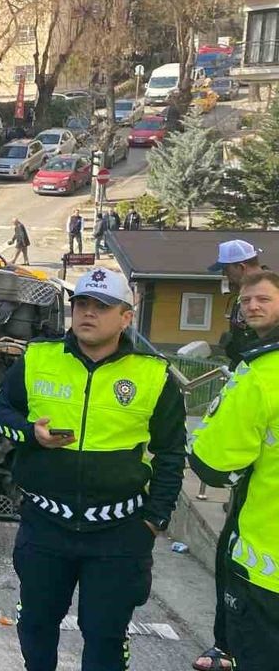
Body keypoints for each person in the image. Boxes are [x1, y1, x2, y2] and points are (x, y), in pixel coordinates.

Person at [0, 267, 186, 671]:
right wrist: (30, 433)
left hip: (119, 532)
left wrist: (155, 519)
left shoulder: (153, 374)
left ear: (126, 317)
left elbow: (171, 452)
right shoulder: (38, 357)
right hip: (46, 524)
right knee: (36, 626)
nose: (88, 313)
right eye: (81, 304)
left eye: (102, 306)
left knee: (104, 637)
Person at [188, 270, 279, 671]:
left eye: (264, 299)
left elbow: (212, 465)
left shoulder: (262, 373)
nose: (252, 306)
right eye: (246, 301)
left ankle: (224, 648)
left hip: (266, 568)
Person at [213, 240, 266, 368]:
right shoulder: (245, 294)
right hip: (245, 370)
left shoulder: (270, 294)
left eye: (226, 269)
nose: (225, 275)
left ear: (241, 267)